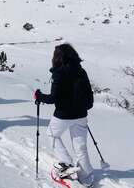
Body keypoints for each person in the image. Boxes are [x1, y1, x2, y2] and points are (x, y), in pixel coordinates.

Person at [34, 43, 94, 188]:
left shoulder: (59, 73)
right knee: (80, 146)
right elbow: (89, 95)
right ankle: (85, 176)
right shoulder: (81, 71)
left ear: (58, 57)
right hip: (81, 114)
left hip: (63, 115)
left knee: (52, 134)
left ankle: (66, 164)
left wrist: (39, 96)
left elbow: (53, 98)